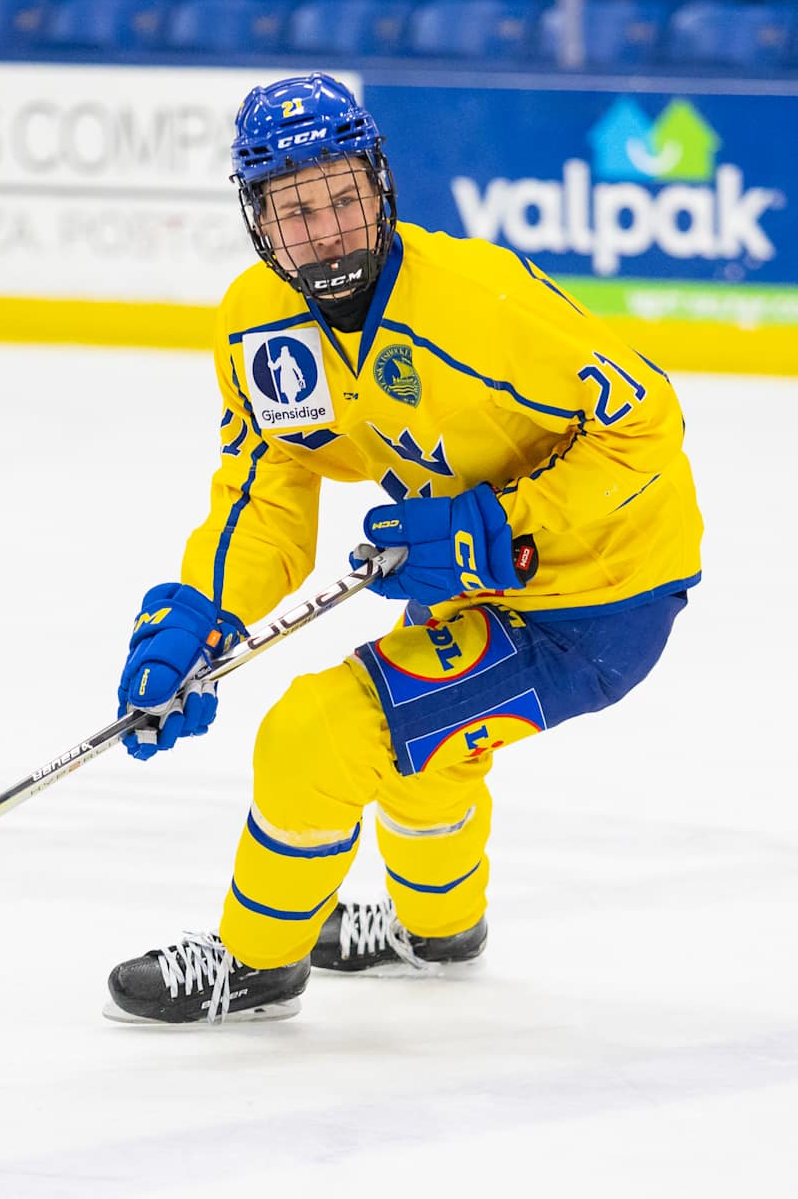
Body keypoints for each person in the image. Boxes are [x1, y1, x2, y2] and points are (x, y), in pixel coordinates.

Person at [103, 74, 704, 1025]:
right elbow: (263, 496)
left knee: (319, 733)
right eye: (296, 210)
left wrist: (496, 530)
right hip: (471, 577)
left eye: (344, 196)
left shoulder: (479, 302)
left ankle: (257, 964)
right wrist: (201, 614)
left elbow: (648, 427)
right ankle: (438, 930)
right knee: (428, 753)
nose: (329, 228)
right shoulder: (260, 327)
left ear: (380, 187)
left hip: (603, 593)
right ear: (258, 220)